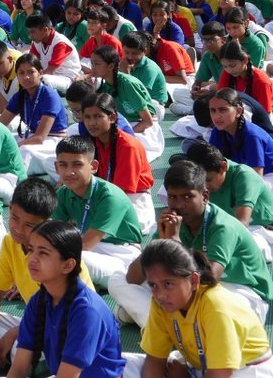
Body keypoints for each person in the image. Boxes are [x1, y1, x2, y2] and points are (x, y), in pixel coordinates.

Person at [111, 161, 272, 329]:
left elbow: (208, 281)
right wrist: (159, 243)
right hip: (191, 289)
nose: (179, 205)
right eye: (173, 197)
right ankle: (167, 327)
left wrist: (175, 243)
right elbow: (133, 278)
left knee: (215, 309)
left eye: (187, 197)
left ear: (205, 196)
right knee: (117, 280)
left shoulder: (222, 226)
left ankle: (155, 324)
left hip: (240, 292)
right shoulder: (172, 222)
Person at [0, 178, 92, 370]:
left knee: (23, 352)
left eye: (29, 225)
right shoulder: (11, 241)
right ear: (10, 207)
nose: (18, 229)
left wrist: (14, 333)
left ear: (46, 222)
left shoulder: (58, 251)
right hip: (36, 321)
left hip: (67, 330)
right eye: (14, 218)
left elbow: (65, 318)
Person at [121, 240, 273, 378]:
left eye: (168, 284)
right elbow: (154, 360)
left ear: (194, 280)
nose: (160, 294)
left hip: (246, 370)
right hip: (201, 367)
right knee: (124, 364)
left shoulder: (216, 306)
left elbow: (221, 374)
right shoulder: (161, 303)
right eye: (153, 285)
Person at [7, 220, 125, 378]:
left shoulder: (87, 311)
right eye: (31, 250)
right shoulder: (39, 300)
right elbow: (19, 368)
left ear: (68, 265)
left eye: (43, 253)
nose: (32, 259)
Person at [52, 135, 143, 287]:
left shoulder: (110, 196)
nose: (69, 172)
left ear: (93, 166)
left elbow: (87, 244)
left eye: (77, 165)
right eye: (63, 165)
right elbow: (53, 234)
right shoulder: (63, 193)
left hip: (123, 255)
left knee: (75, 260)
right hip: (89, 248)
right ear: (56, 167)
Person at [80, 92, 156, 234]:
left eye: (98, 116)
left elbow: (122, 192)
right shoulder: (94, 141)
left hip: (132, 199)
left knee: (115, 228)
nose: (91, 123)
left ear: (113, 118)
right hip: (105, 195)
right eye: (87, 117)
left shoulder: (128, 146)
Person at [184, 140, 273, 257]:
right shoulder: (205, 182)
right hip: (228, 228)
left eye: (208, 180)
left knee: (230, 250)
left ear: (223, 167)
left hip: (263, 232)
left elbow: (242, 224)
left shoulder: (245, 176)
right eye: (201, 182)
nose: (205, 187)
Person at [1, 52, 67, 177]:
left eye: (31, 72)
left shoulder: (49, 95)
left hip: (53, 140)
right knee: (5, 139)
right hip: (31, 135)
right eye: (21, 73)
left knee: (24, 149)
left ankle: (16, 179)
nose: (26, 77)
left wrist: (14, 146)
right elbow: (0, 125)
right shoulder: (20, 96)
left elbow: (40, 137)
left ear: (40, 73)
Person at [208, 87, 273, 182]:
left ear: (238, 111)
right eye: (213, 110)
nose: (216, 116)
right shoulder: (217, 131)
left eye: (223, 110)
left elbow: (256, 179)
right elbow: (212, 166)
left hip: (267, 176)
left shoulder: (252, 136)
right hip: (243, 174)